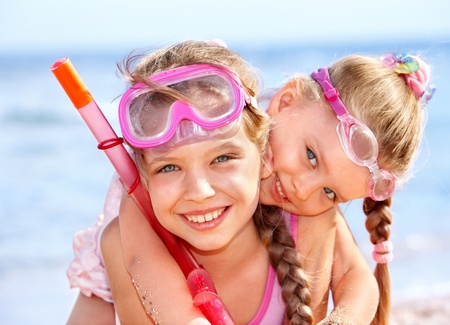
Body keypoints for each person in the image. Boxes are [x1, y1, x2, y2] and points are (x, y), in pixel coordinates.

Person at [66, 41, 433, 324]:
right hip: (121, 278)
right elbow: (153, 282)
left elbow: (356, 277)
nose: (302, 190)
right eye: (310, 156)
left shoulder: (309, 214)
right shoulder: (184, 169)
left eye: (330, 193)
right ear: (284, 102)